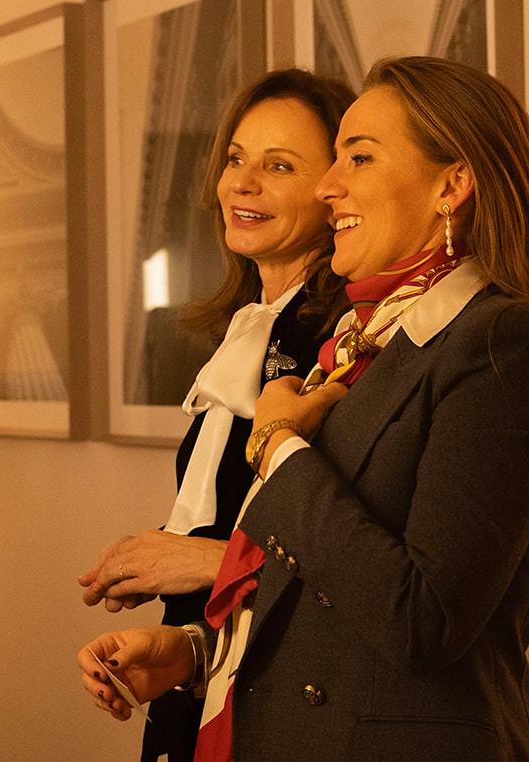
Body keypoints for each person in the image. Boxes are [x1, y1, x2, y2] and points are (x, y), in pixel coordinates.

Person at [78, 56, 529, 762]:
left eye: (357, 158)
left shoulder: (505, 341)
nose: (330, 186)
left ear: (451, 185)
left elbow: (422, 619)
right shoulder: (367, 338)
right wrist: (197, 652)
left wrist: (278, 445)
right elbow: (328, 591)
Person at [76, 68, 357, 762]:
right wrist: (169, 617)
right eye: (236, 158)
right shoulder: (246, 327)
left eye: (279, 166)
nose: (243, 183)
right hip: (204, 675)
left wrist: (197, 560)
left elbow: (353, 564)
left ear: (333, 191)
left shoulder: (344, 342)